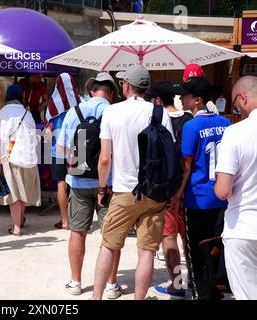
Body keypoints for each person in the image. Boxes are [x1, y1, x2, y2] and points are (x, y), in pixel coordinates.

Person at [91, 65, 174, 300]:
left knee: (109, 245)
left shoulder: (112, 112)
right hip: (154, 191)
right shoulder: (160, 113)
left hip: (123, 190)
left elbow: (105, 159)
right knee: (146, 251)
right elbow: (169, 154)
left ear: (126, 85)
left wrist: (101, 188)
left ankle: (96, 297)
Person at [57, 72, 123, 299]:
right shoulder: (115, 113)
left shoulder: (73, 113)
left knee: (77, 232)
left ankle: (75, 282)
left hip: (78, 180)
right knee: (111, 235)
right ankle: (111, 285)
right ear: (112, 94)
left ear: (92, 90)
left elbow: (61, 150)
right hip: (109, 183)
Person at [173, 76, 231, 300]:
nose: (181, 97)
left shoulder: (191, 126)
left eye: (185, 95)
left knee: (196, 251)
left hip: (197, 197)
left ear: (197, 100)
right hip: (222, 196)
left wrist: (178, 195)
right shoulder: (226, 123)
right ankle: (216, 288)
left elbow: (186, 166)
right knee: (216, 246)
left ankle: (201, 293)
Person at [146, 80, 193, 299]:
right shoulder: (189, 120)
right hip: (191, 189)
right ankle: (194, 279)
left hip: (169, 189)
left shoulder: (157, 122)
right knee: (189, 237)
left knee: (169, 238)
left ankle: (177, 284)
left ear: (156, 100)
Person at [214, 75, 257, 300]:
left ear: (243, 97)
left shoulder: (235, 132)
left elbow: (223, 190)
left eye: (235, 106)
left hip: (243, 226)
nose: (236, 110)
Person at [0, 84, 41, 236]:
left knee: (14, 194)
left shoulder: (3, 112)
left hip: (12, 156)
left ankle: (16, 228)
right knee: (22, 194)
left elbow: (0, 137)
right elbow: (34, 137)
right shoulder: (27, 113)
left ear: (7, 97)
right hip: (28, 158)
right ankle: (19, 223)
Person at [45, 73, 81, 230]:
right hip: (78, 150)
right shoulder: (80, 104)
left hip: (57, 151)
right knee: (77, 185)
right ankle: (77, 220)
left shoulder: (53, 106)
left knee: (61, 184)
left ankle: (65, 221)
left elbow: (47, 132)